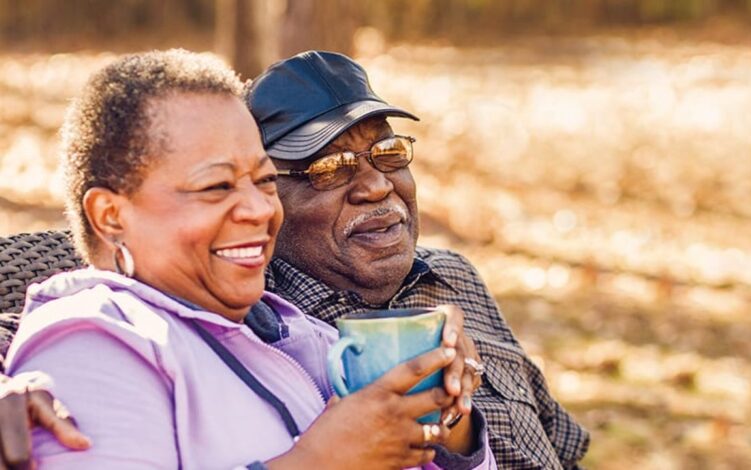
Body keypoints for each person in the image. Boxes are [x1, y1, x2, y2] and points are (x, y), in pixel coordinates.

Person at [0, 50, 588, 468]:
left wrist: (452, 422)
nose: (256, 209)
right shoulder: (132, 326)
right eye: (329, 168)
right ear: (110, 215)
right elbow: (65, 318)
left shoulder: (284, 328)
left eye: (387, 152)